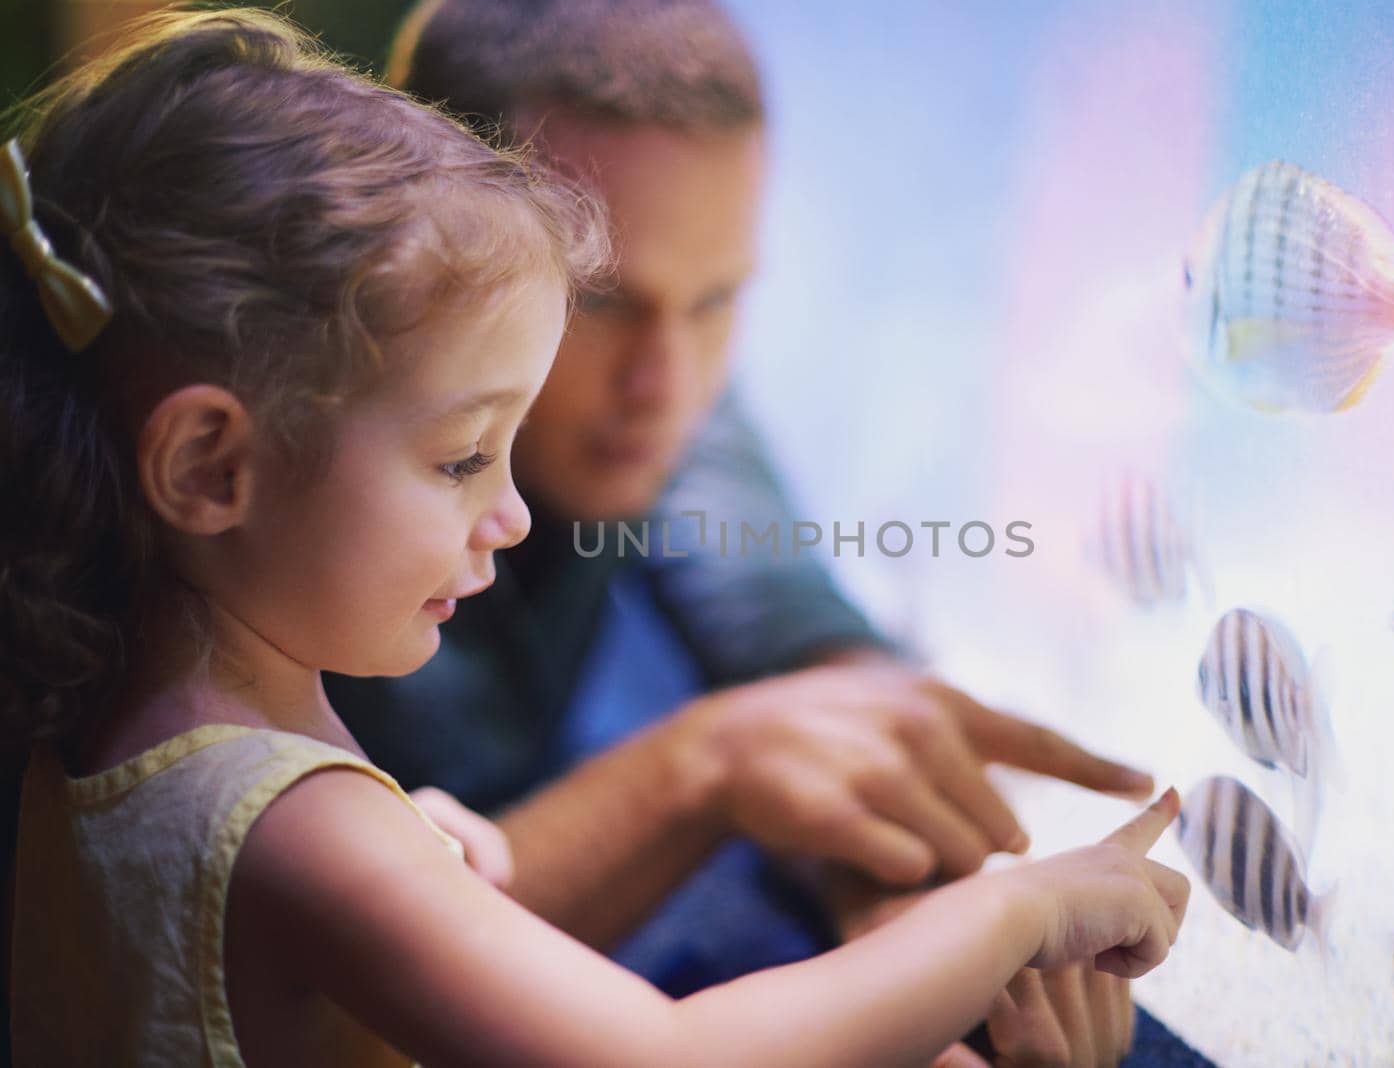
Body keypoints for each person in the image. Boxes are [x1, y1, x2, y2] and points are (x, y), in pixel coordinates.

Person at [0, 10, 1192, 1065]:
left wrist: (447, 858)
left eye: (720, 301)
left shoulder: (105, 716)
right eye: (464, 457)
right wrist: (1013, 916)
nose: (510, 514)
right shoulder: (299, 832)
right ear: (212, 467)